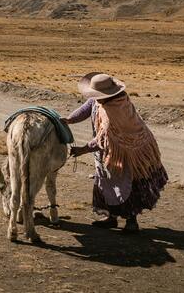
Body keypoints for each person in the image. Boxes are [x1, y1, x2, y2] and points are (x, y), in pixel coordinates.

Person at [62, 73, 168, 234]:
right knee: (106, 181)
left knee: (127, 182)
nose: (94, 97)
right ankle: (111, 217)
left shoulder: (116, 109)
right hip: (110, 151)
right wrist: (69, 119)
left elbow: (102, 139)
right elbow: (87, 108)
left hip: (128, 151)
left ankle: (131, 221)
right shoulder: (101, 101)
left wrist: (83, 149)